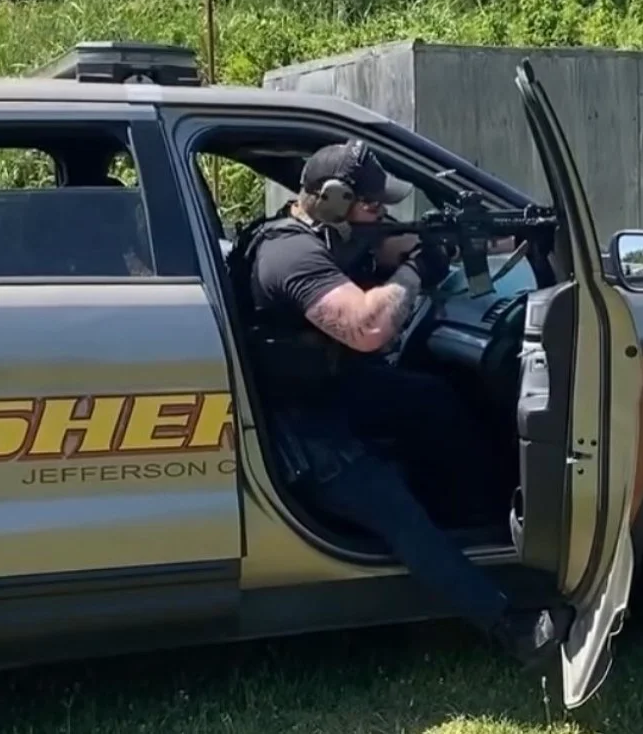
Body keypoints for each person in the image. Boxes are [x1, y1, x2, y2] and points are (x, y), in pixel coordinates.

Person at [237, 138, 571, 669]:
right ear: (334, 200)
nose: (383, 215)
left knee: (434, 400)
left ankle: (474, 517)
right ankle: (509, 626)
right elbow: (367, 326)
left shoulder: (334, 233)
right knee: (396, 510)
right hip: (298, 425)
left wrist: (478, 236)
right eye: (373, 205)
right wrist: (417, 272)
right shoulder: (290, 254)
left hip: (330, 390)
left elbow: (398, 244)